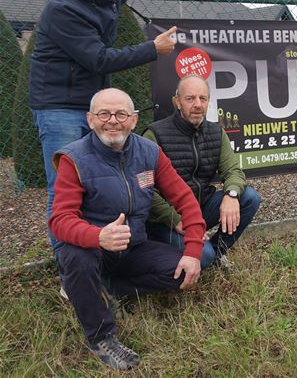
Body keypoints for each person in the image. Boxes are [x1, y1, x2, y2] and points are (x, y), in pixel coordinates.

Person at [29, 0, 214, 264]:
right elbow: (97, 59)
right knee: (63, 187)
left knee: (102, 182)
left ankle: (107, 256)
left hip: (95, 102)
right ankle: (69, 268)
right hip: (58, 104)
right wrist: (152, 49)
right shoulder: (64, 7)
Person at [49, 88, 206, 370]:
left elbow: (185, 200)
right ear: (90, 119)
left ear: (133, 120)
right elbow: (59, 221)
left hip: (133, 246)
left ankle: (98, 289)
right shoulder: (73, 159)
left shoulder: (149, 152)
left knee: (183, 270)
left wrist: (193, 251)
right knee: (76, 257)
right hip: (93, 248)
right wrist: (98, 236)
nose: (112, 121)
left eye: (121, 114)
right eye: (104, 114)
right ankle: (102, 337)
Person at [143, 75, 261, 268]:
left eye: (203, 99)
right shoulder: (154, 135)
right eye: (190, 99)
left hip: (200, 208)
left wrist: (231, 195)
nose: (197, 104)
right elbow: (145, 189)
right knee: (202, 255)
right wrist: (175, 219)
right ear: (177, 102)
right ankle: (204, 255)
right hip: (166, 220)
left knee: (249, 197)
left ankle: (215, 252)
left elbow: (233, 170)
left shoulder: (216, 132)